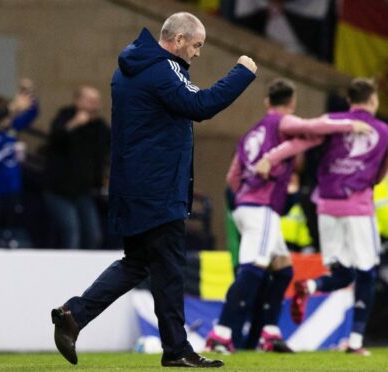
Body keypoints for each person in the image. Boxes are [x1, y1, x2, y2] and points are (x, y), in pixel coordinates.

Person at [51, 12, 257, 367]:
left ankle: (75, 314)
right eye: (196, 45)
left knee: (138, 263)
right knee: (170, 269)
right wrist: (242, 73)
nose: (197, 53)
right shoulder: (164, 69)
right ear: (177, 41)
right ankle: (176, 350)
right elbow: (201, 106)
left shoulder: (128, 68)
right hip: (158, 188)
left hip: (133, 185)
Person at [205, 78, 371, 353]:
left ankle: (269, 333)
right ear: (291, 103)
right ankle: (220, 334)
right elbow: (312, 127)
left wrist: (243, 199)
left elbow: (232, 177)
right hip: (261, 207)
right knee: (250, 271)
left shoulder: (252, 133)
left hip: (246, 206)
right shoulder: (281, 123)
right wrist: (349, 124)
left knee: (283, 270)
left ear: (267, 102)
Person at [257, 78, 388, 356]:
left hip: (327, 206)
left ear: (349, 100)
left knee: (342, 273)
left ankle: (309, 285)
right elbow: (381, 172)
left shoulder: (331, 122)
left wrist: (270, 157)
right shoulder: (385, 131)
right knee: (366, 271)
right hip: (358, 207)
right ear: (373, 100)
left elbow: (301, 142)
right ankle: (355, 342)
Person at [44, 86, 109, 249]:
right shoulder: (65, 116)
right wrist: (73, 124)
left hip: (83, 191)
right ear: (78, 101)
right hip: (58, 190)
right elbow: (55, 139)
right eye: (90, 100)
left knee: (93, 234)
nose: (94, 104)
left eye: (97, 101)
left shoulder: (100, 127)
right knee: (72, 232)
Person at [0, 79, 39, 241]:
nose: (10, 118)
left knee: (11, 225)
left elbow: (32, 112)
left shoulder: (12, 128)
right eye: (7, 115)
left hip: (13, 186)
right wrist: (6, 151)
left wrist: (27, 92)